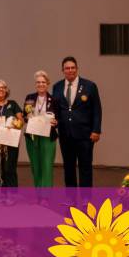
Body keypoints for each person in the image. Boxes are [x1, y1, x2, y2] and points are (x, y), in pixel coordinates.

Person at [51, 56, 102, 188]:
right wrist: (53, 121)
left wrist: (96, 130)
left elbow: (97, 110)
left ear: (77, 69)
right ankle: (71, 197)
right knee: (68, 168)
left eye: (73, 68)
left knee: (85, 167)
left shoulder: (90, 86)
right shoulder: (57, 87)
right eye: (67, 68)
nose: (70, 70)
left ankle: (86, 198)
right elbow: (55, 110)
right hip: (65, 135)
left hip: (85, 135)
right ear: (63, 70)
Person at [23, 70, 58, 192]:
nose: (41, 84)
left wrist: (56, 122)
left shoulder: (54, 99)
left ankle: (46, 196)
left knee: (47, 165)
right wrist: (26, 117)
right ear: (35, 84)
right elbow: (24, 115)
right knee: (35, 165)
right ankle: (38, 193)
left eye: (43, 82)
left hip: (48, 137)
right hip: (32, 135)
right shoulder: (29, 98)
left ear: (47, 83)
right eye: (38, 82)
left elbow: (59, 118)